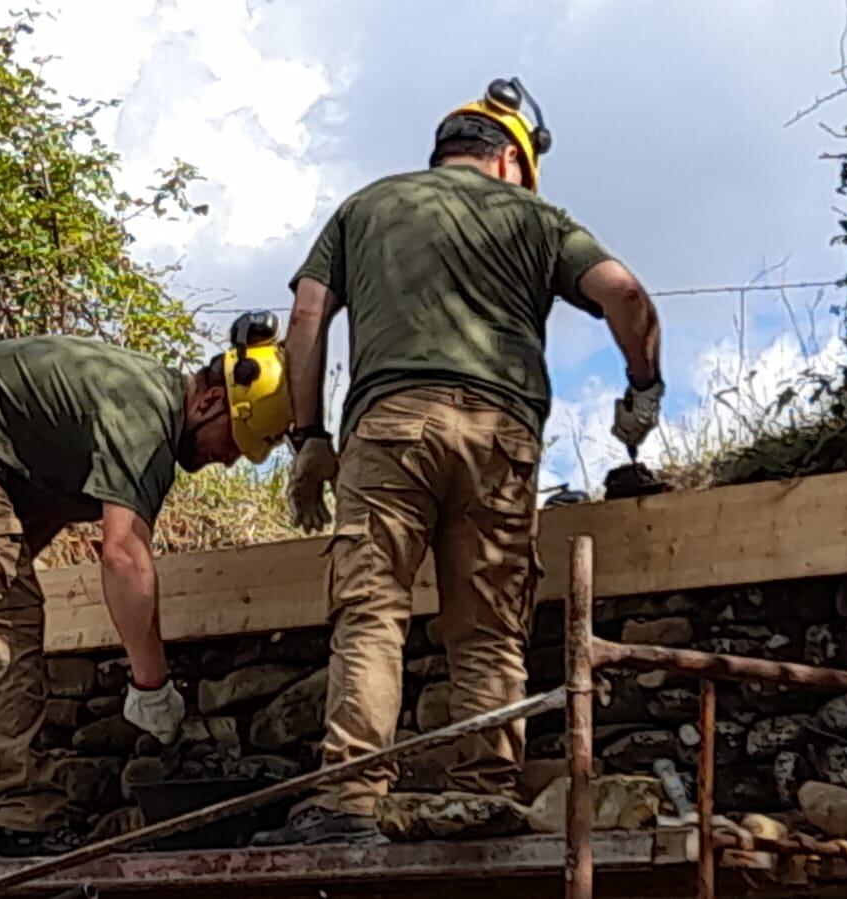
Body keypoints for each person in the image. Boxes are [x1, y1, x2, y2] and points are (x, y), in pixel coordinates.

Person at [255, 78, 664, 845]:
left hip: (390, 430)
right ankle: (483, 794)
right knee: (485, 630)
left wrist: (308, 437)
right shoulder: (537, 218)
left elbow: (307, 316)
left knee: (371, 612)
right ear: (509, 158)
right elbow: (627, 296)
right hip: (500, 436)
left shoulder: (364, 206)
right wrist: (642, 388)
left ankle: (346, 801)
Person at [0, 318, 292, 859]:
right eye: (233, 441)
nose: (227, 460)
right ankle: (28, 819)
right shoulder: (146, 416)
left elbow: (36, 502)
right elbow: (123, 554)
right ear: (209, 400)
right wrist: (151, 683)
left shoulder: (128, 399)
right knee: (7, 622)